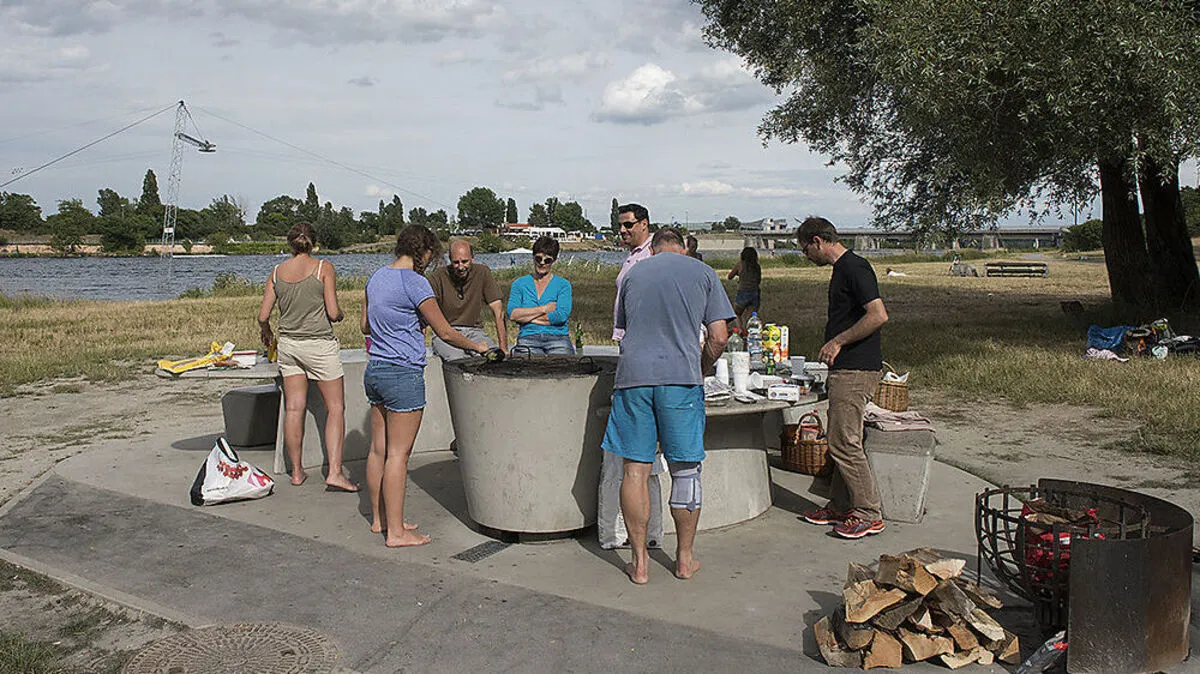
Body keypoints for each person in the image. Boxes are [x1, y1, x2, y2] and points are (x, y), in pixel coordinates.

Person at [602, 227, 734, 584]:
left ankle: (640, 563)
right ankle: (684, 560)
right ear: (684, 249)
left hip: (633, 380)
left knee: (635, 471)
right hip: (681, 380)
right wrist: (701, 368)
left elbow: (624, 331)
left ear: (655, 249)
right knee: (686, 471)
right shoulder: (703, 273)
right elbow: (720, 336)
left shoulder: (632, 274)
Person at [361, 225, 489, 547]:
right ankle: (398, 533)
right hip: (403, 374)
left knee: (378, 450)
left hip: (375, 369)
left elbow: (365, 325)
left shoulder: (376, 277)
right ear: (425, 252)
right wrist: (478, 348)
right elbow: (444, 332)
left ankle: (380, 521)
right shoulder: (416, 283)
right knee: (398, 456)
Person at [796, 217, 889, 539]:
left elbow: (878, 315)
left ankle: (868, 513)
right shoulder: (842, 270)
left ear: (818, 241)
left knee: (845, 443)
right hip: (845, 368)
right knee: (839, 440)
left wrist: (838, 341)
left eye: (805, 248)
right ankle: (838, 505)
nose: (806, 255)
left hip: (856, 368)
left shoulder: (854, 268)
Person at [257, 222, 357, 492]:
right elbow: (334, 312)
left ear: (290, 244)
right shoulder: (324, 268)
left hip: (289, 346)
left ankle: (297, 471)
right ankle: (335, 472)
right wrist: (341, 315)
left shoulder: (277, 272)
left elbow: (263, 315)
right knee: (335, 409)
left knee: (293, 408)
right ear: (314, 243)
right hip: (319, 345)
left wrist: (266, 333)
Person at [426, 240, 508, 360]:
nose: (460, 267)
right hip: (448, 332)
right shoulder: (437, 277)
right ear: (450, 260)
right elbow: (424, 315)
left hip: (474, 331)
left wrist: (503, 347)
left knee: (493, 357)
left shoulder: (483, 272)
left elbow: (498, 311)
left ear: (472, 258)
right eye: (456, 262)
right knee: (458, 360)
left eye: (464, 262)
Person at [507, 236, 574, 355]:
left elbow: (560, 316)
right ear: (533, 258)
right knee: (525, 368)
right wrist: (544, 309)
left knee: (563, 368)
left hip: (558, 338)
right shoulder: (519, 284)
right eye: (538, 258)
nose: (542, 263)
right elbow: (512, 314)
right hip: (528, 338)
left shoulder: (563, 285)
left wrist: (527, 318)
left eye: (547, 260)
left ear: (554, 261)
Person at [612, 203, 654, 341]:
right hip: (628, 335)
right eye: (620, 226)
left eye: (628, 225)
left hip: (643, 336)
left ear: (644, 224)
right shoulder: (634, 253)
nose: (622, 230)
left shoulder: (652, 253)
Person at [727, 246, 761, 328]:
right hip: (755, 292)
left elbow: (730, 276)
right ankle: (749, 331)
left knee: (736, 313)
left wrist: (739, 275)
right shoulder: (757, 266)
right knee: (750, 317)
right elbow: (758, 280)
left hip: (743, 292)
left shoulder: (740, 264)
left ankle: (740, 330)